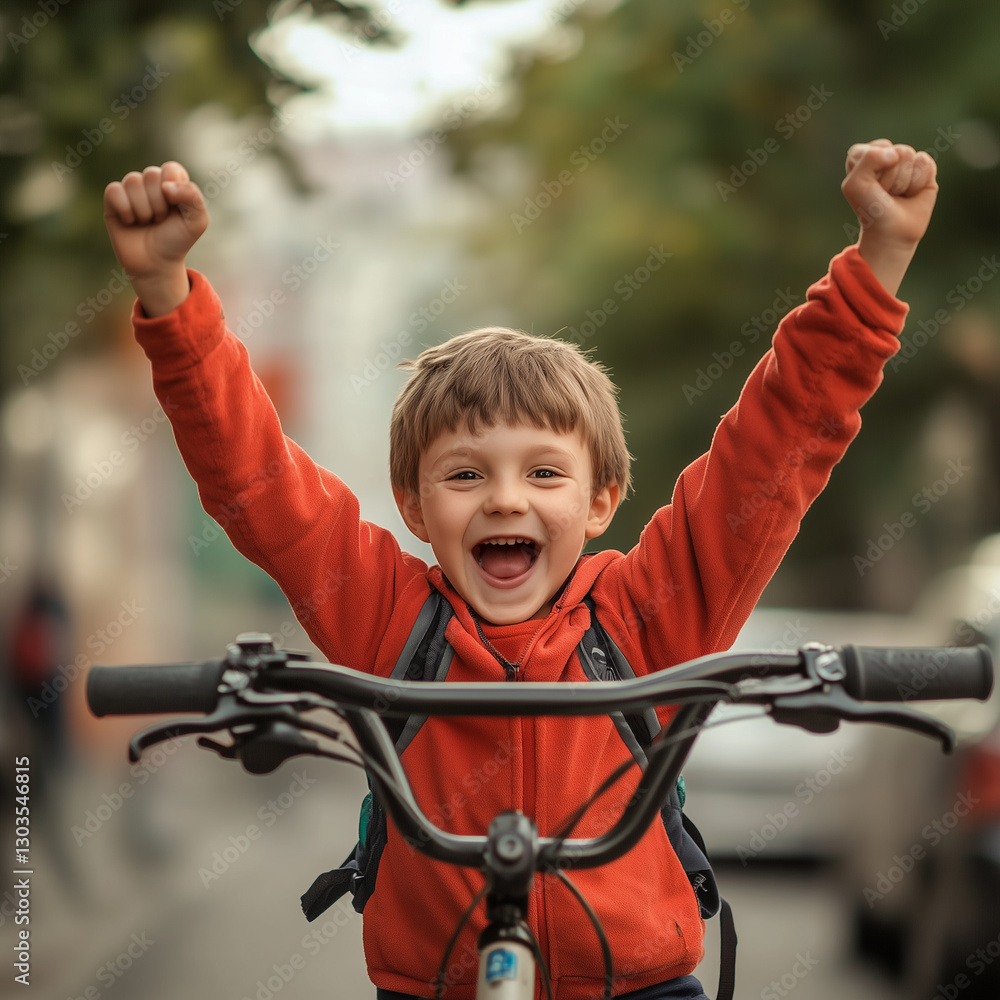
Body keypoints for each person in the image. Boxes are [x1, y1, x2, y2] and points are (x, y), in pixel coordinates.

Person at [103, 138, 938, 1000]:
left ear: (601, 499)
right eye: (466, 476)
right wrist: (169, 293)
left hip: (638, 987)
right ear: (414, 506)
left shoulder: (647, 616)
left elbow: (774, 450)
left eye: (543, 474)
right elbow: (256, 481)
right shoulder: (390, 620)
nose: (505, 500)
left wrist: (879, 259)